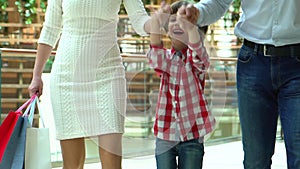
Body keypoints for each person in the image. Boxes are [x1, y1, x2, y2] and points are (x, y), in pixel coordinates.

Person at [28, 1, 150, 169]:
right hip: (66, 78)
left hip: (108, 76)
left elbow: (139, 20)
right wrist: (36, 75)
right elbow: (50, 29)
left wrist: (158, 23)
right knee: (72, 165)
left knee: (112, 163)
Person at [179, 0, 300, 168]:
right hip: (253, 62)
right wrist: (197, 12)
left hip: (297, 63)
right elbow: (218, 2)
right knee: (255, 160)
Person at [147, 1, 215, 168]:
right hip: (165, 135)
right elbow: (155, 52)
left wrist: (191, 28)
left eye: (184, 21)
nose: (178, 24)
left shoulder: (196, 61)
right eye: (172, 20)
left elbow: (200, 57)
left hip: (192, 135)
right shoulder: (167, 60)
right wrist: (156, 23)